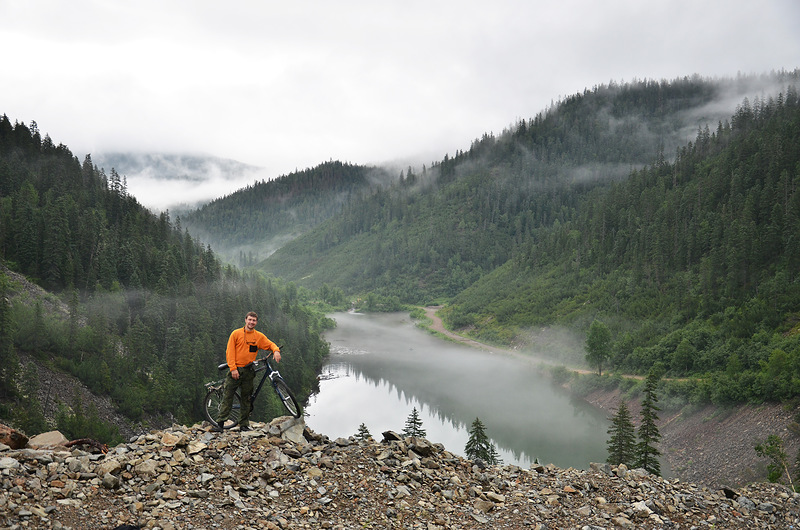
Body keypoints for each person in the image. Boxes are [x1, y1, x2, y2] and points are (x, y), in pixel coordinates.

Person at [213, 311, 281, 432]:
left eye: (254, 320)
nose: (251, 322)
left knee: (247, 398)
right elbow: (230, 352)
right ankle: (220, 424)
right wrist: (233, 368)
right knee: (228, 396)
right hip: (236, 370)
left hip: (249, 371)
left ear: (256, 322)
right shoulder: (236, 334)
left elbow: (269, 344)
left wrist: (276, 351)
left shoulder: (258, 336)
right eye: (249, 319)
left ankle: (243, 424)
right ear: (245, 320)